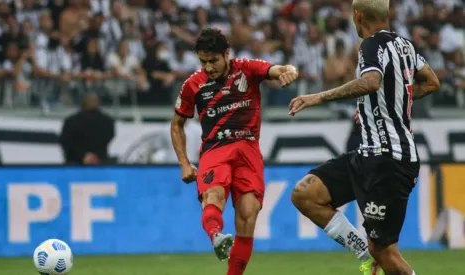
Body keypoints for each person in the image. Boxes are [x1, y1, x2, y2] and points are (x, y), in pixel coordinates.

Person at [288, 0, 440, 275]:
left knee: (386, 253)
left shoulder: (370, 45)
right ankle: (363, 251)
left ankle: (373, 255)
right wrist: (381, 105)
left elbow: (371, 81)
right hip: (368, 154)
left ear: (358, 17)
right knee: (305, 194)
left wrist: (318, 96)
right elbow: (431, 82)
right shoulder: (406, 45)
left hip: (389, 160)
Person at [170, 28, 298, 274]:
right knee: (213, 197)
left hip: (248, 150)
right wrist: (184, 162)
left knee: (249, 214)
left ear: (226, 53)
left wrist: (289, 71)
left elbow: (278, 69)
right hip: (215, 151)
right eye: (203, 61)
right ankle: (216, 236)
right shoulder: (192, 85)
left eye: (213, 60)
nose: (208, 67)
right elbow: (176, 125)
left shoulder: (247, 69)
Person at [59, 93, 115, 165]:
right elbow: (108, 138)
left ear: (82, 103)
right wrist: (94, 155)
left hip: (75, 162)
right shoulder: (108, 121)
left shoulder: (71, 121)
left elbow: (65, 141)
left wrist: (83, 155)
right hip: (99, 161)